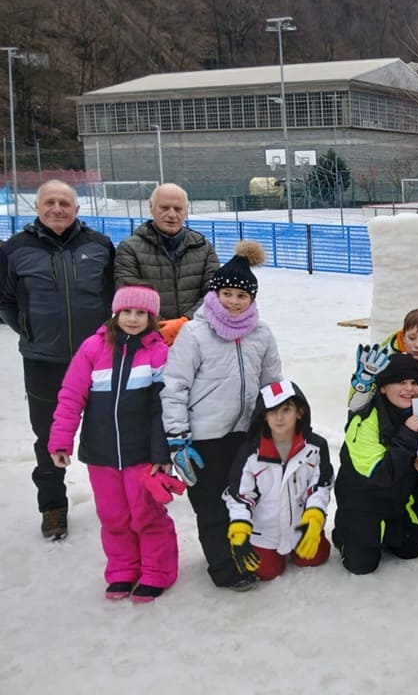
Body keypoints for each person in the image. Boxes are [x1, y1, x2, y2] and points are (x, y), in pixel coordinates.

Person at [161, 240, 282, 591]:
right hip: (204, 438)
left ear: (252, 301)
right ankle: (224, 569)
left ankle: (245, 554)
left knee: (244, 501)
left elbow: (272, 382)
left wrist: (275, 426)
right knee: (212, 507)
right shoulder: (195, 333)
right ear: (214, 294)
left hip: (245, 435)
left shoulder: (261, 334)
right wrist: (178, 437)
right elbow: (175, 387)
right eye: (227, 293)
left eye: (241, 296)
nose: (233, 301)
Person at [47, 284, 179, 602]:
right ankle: (122, 570)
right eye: (127, 312)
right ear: (116, 313)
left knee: (146, 514)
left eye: (141, 313)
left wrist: (162, 453)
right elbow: (71, 395)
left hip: (142, 454)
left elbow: (165, 406)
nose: (133, 319)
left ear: (151, 317)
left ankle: (158, 571)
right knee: (113, 515)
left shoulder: (158, 352)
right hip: (101, 453)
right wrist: (61, 440)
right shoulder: (93, 349)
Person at [0, 179, 115, 539]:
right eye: (49, 202)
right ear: (37, 208)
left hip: (96, 361)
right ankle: (53, 506)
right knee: (48, 437)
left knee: (109, 431)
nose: (57, 208)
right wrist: (28, 330)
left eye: (65, 202)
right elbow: (5, 300)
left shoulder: (99, 246)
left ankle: (115, 501)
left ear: (77, 209)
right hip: (42, 361)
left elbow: (113, 296)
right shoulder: (15, 249)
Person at [333, 353, 418, 574]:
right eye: (401, 382)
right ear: (384, 387)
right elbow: (381, 475)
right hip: (363, 500)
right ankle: (344, 533)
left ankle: (390, 530)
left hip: (399, 499)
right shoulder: (365, 421)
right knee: (361, 565)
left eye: (414, 382)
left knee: (412, 549)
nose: (409, 389)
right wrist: (407, 434)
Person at [224, 381, 334, 581]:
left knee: (315, 557)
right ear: (264, 416)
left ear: (299, 412)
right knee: (266, 571)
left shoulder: (316, 446)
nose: (279, 417)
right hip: (265, 531)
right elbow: (240, 495)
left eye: (286, 409)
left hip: (301, 525)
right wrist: (240, 527)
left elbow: (320, 485)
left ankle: (307, 539)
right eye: (272, 411)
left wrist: (315, 514)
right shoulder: (249, 452)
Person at [114, 183, 219, 346]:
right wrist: (160, 327)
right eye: (164, 208)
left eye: (178, 209)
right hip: (148, 341)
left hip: (195, 338)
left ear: (186, 210)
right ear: (151, 207)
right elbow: (129, 295)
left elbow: (214, 292)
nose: (172, 215)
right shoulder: (130, 248)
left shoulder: (203, 247)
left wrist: (185, 322)